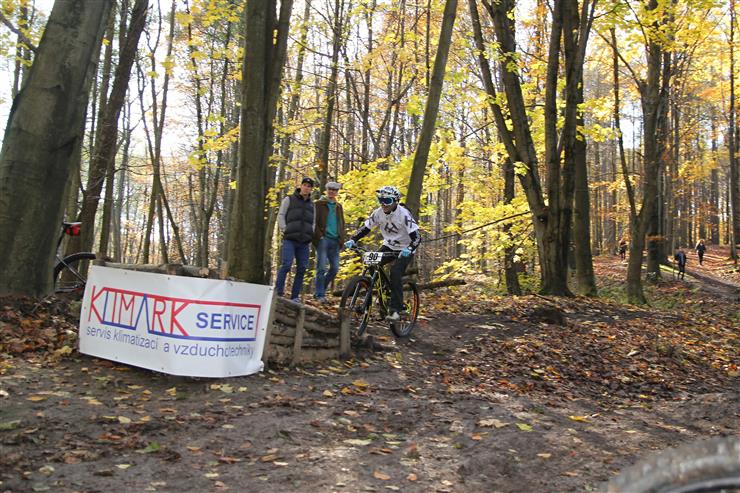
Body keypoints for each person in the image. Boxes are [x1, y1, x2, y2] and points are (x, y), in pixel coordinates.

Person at [344, 186, 421, 321]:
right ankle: (384, 290)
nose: (383, 204)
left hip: (405, 248)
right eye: (380, 200)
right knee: (371, 262)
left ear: (396, 201)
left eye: (387, 200)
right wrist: (353, 239)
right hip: (388, 246)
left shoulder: (403, 214)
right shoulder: (378, 213)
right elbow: (365, 228)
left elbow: (417, 237)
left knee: (395, 272)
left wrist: (409, 248)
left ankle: (396, 310)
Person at [276, 177, 315, 302]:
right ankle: (278, 293)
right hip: (290, 239)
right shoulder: (289, 199)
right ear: (301, 186)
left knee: (302, 268)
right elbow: (281, 215)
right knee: (286, 265)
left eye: (309, 186)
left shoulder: (312, 205)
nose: (306, 188)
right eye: (305, 185)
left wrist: (310, 233)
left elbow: (313, 222)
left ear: (311, 189)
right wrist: (284, 228)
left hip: (304, 242)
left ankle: (294, 297)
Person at [313, 181, 346, 304]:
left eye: (334, 190)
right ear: (326, 190)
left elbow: (342, 223)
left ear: (337, 192)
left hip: (335, 241)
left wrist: (341, 239)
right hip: (323, 239)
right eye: (330, 189)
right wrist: (319, 236)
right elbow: (314, 222)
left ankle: (319, 290)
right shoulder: (318, 204)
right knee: (321, 267)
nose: (332, 191)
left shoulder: (338, 206)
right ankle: (320, 294)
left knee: (335, 268)